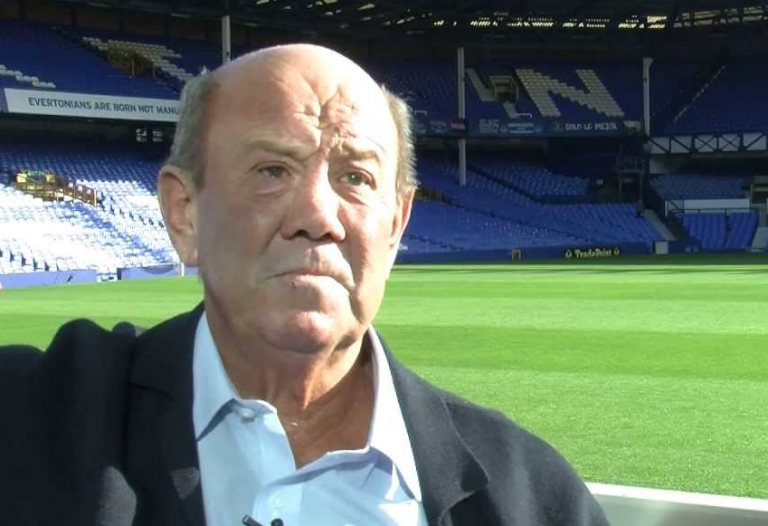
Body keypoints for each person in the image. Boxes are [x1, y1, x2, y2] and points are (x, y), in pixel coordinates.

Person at [0, 45, 609, 526]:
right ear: (184, 213)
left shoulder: (532, 496)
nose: (318, 215)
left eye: (356, 177)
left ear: (396, 227)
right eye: (272, 170)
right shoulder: (36, 417)